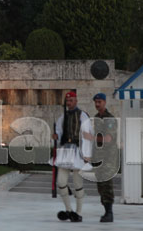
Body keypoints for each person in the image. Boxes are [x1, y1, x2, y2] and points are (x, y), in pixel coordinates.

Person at [50, 91, 92, 223]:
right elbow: (59, 131)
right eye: (67, 101)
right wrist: (55, 136)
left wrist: (86, 154)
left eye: (71, 100)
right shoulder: (63, 116)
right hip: (65, 151)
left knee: (78, 183)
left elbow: (87, 134)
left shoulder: (83, 115)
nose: (69, 103)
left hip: (78, 151)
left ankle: (78, 213)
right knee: (61, 182)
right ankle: (68, 210)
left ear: (76, 101)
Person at [92, 93, 117, 223]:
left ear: (105, 102)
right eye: (96, 102)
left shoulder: (110, 119)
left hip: (108, 157)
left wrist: (92, 138)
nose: (97, 104)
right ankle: (106, 210)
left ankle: (109, 212)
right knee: (100, 186)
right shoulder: (96, 118)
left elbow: (108, 138)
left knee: (106, 185)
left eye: (99, 102)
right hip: (99, 157)